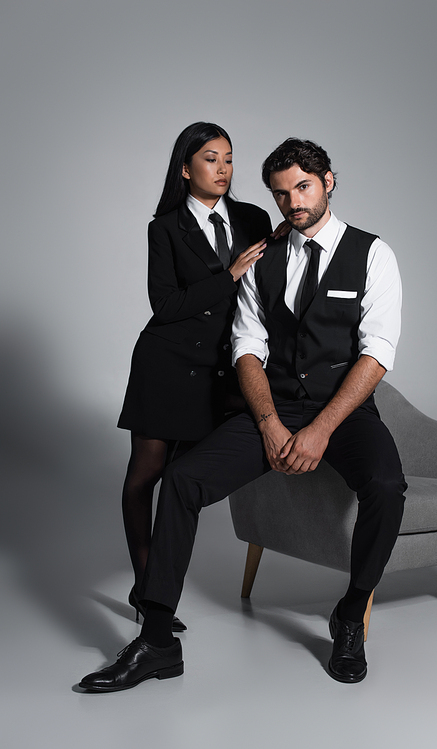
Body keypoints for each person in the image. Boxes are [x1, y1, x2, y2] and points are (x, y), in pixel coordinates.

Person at [80, 137, 407, 691]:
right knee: (181, 480)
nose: (293, 203)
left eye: (303, 187)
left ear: (329, 181)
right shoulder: (263, 258)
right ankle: (157, 640)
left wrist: (321, 430)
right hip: (273, 409)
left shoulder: (374, 254)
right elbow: (246, 348)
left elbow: (378, 354)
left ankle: (351, 615)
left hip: (342, 414)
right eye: (281, 195)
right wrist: (273, 425)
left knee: (387, 484)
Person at [117, 122, 272, 630]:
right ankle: (148, 590)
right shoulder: (164, 227)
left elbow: (271, 290)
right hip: (165, 367)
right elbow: (165, 306)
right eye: (211, 158)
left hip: (220, 375)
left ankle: (157, 591)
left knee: (186, 481)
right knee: (146, 475)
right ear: (186, 169)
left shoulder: (253, 218)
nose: (223, 168)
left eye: (228, 158)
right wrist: (227, 277)